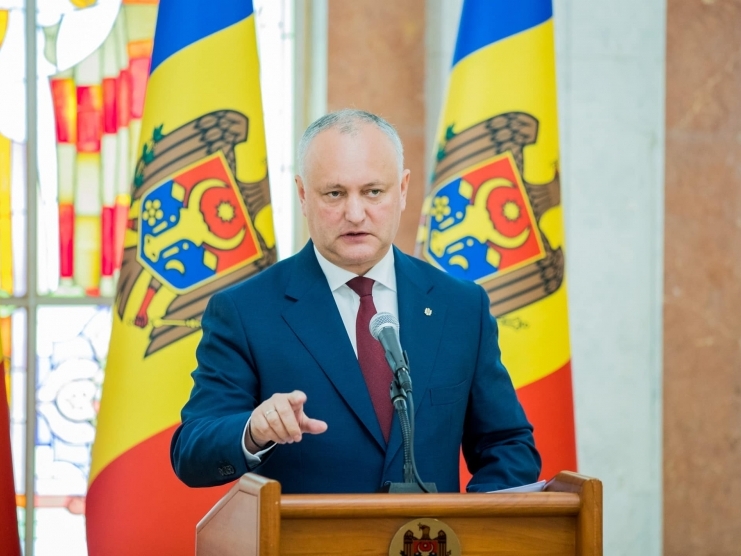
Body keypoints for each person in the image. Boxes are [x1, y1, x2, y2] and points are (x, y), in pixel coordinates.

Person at [170, 109, 541, 493]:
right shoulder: (245, 312)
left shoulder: (461, 306)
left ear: (402, 190)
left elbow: (507, 445)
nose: (355, 213)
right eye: (334, 194)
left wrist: (470, 521)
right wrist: (253, 431)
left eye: (373, 192)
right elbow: (192, 451)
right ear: (303, 194)